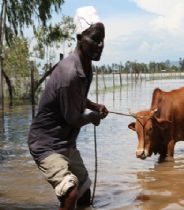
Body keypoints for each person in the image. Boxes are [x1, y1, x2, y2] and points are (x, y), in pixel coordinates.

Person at [28, 6, 108, 210]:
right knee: (70, 192)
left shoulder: (86, 65)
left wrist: (94, 105)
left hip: (65, 141)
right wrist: (92, 116)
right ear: (80, 37)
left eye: (102, 40)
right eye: (95, 38)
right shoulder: (69, 73)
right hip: (46, 143)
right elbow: (73, 118)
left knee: (84, 192)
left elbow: (77, 97)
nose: (100, 45)